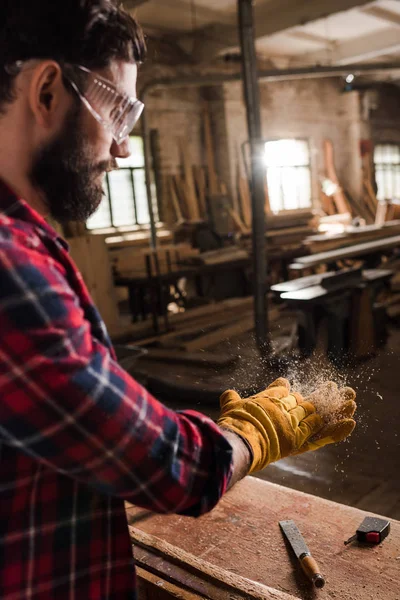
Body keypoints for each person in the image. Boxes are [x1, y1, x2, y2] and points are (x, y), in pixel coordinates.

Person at [0, 1, 357, 598]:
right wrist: (256, 430)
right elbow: (175, 471)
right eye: (117, 112)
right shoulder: (12, 268)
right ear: (46, 92)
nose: (122, 149)